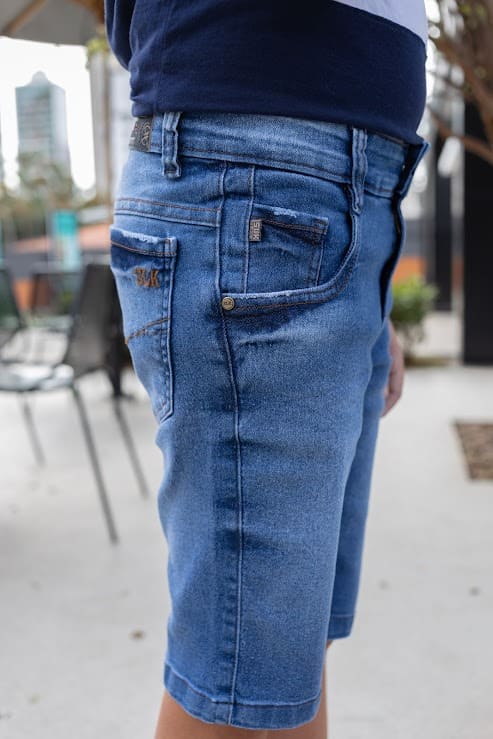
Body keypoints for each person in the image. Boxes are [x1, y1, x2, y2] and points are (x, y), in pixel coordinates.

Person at [104, 2, 430, 737]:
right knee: (240, 682)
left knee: (280, 658)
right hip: (254, 184)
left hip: (346, 195)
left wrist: (370, 295)